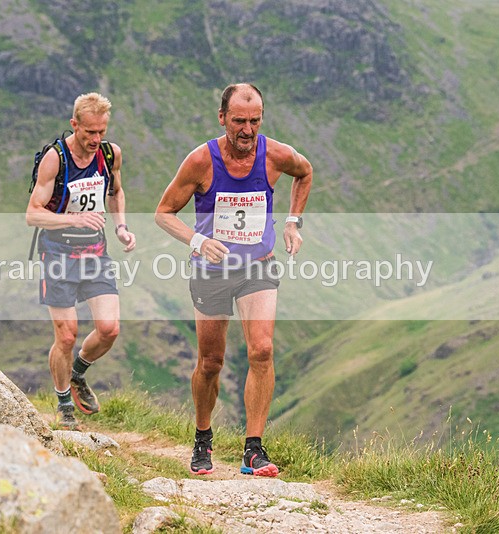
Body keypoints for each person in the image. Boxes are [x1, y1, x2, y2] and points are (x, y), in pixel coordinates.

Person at [154, 83, 313, 477]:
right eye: (239, 121)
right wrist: (198, 239)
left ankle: (253, 450)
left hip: (258, 265)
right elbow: (163, 212)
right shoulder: (200, 162)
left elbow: (305, 172)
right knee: (211, 361)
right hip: (212, 271)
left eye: (255, 121)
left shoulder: (274, 154)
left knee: (261, 350)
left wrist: (293, 222)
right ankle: (203, 438)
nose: (247, 130)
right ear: (222, 117)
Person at [26, 92, 135, 429]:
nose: (95, 139)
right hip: (58, 253)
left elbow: (115, 192)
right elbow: (33, 214)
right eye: (89, 132)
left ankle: (77, 375)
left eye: (101, 131)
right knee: (67, 336)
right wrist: (73, 220)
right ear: (74, 125)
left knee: (109, 329)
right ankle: (63, 405)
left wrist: (121, 227)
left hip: (95, 252)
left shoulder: (109, 153)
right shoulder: (54, 159)